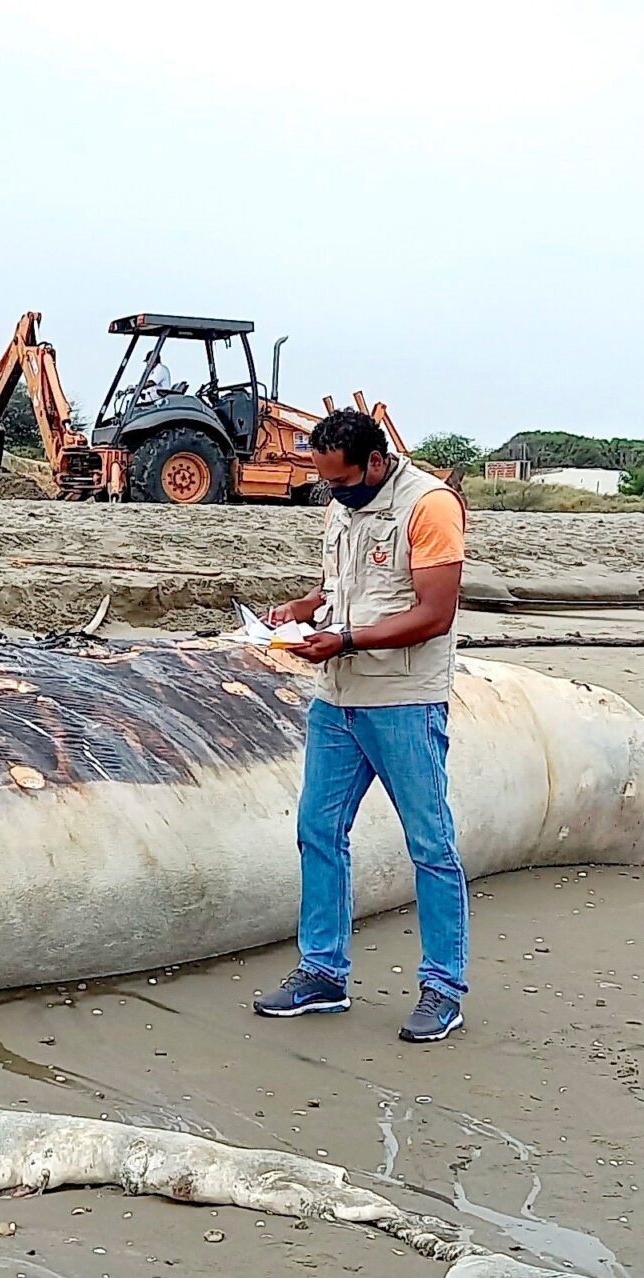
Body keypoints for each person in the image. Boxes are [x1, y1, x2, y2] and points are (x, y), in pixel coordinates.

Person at [253, 408, 471, 1042]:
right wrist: (303, 608)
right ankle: (322, 973)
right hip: (337, 697)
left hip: (403, 698)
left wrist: (344, 638)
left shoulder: (430, 506)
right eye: (327, 486)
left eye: (344, 482)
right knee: (317, 829)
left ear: (376, 463)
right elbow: (341, 587)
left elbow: (435, 613)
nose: (336, 494)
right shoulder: (341, 505)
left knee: (430, 844)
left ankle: (443, 987)